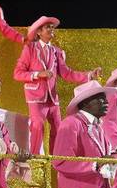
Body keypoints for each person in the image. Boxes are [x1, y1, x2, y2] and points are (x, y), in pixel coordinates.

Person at [13, 16, 100, 154]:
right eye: (48, 27)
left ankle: (56, 159)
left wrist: (89, 75)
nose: (52, 29)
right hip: (36, 98)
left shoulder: (56, 52)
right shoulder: (29, 49)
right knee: (37, 126)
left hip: (52, 98)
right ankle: (36, 160)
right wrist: (37, 74)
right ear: (39, 32)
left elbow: (67, 73)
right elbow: (18, 73)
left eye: (52, 27)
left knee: (59, 128)